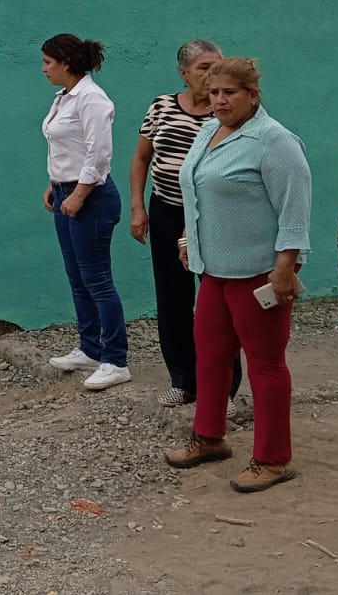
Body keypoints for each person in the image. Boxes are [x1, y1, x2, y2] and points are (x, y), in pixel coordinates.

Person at [164, 57, 311, 493]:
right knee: (209, 356)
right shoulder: (209, 131)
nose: (220, 100)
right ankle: (209, 436)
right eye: (213, 93)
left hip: (258, 273)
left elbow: (295, 207)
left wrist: (286, 267)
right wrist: (188, 241)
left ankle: (274, 458)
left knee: (265, 364)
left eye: (229, 92)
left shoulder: (274, 140)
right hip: (214, 271)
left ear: (252, 94)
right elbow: (194, 192)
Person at [130, 39, 240, 413]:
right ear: (184, 73)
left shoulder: (227, 113)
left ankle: (225, 389)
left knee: (218, 301)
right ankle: (183, 380)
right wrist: (138, 208)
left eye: (218, 66)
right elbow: (141, 159)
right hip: (166, 211)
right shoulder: (162, 106)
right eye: (204, 67)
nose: (213, 75)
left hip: (212, 215)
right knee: (172, 298)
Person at [40, 33, 130, 391]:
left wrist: (79, 194)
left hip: (91, 198)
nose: (44, 69)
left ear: (65, 63)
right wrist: (54, 184)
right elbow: (66, 148)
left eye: (48, 62)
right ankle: (90, 348)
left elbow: (99, 153)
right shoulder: (64, 96)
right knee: (77, 277)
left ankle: (116, 359)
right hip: (66, 194)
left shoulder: (92, 98)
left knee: (98, 280)